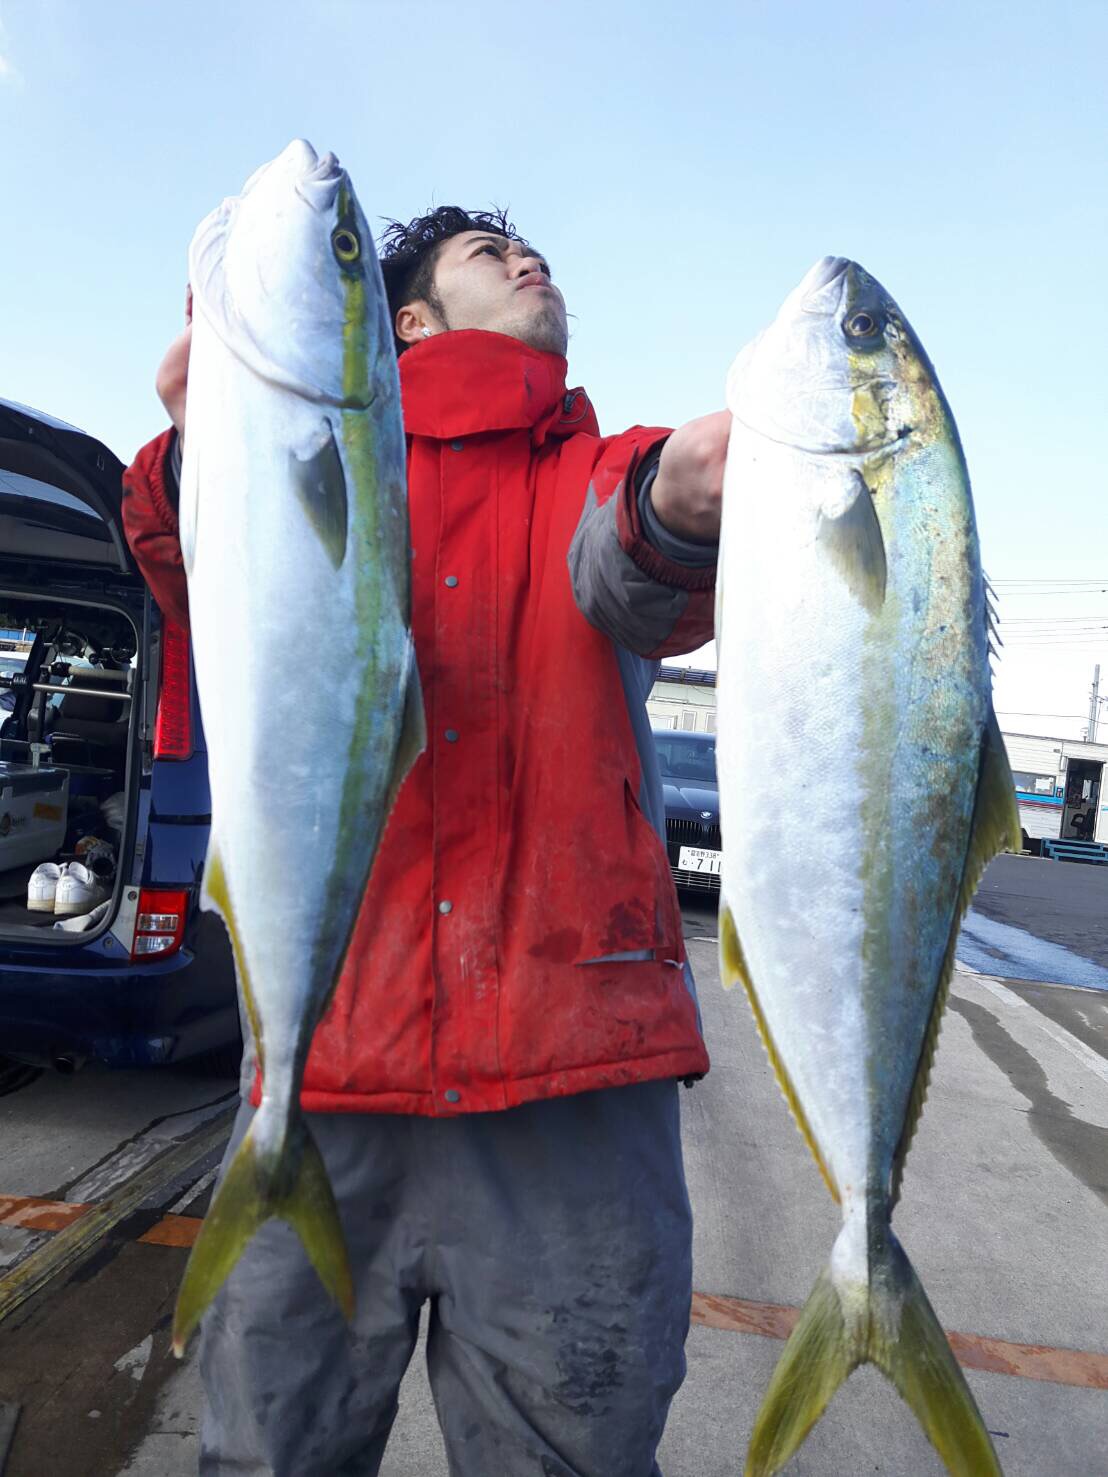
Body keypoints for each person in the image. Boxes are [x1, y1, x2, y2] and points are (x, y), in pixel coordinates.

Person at [121, 205, 728, 1477]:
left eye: (534, 251)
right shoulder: (316, 453)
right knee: (267, 1453)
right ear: (405, 320)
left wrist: (675, 507)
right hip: (331, 1069)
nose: (528, 259)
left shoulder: (600, 465)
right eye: (487, 255)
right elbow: (198, 577)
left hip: (573, 1072)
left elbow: (628, 572)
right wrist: (205, 456)